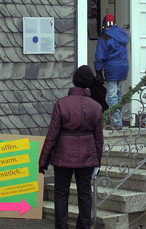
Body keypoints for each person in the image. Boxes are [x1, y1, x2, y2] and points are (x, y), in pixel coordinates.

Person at [38, 65, 104, 229]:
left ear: (74, 81)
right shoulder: (96, 107)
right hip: (87, 155)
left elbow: (52, 134)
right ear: (89, 83)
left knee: (61, 193)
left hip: (63, 155)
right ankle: (84, 227)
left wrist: (43, 160)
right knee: (84, 193)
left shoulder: (61, 104)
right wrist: (98, 161)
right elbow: (99, 139)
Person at [94, 14, 129, 130]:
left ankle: (116, 121)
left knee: (111, 96)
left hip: (112, 69)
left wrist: (98, 71)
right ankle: (117, 117)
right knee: (118, 94)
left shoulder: (105, 36)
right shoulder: (122, 34)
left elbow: (100, 56)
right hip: (123, 68)